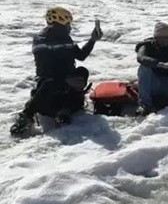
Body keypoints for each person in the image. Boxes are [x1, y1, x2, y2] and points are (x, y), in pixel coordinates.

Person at [10, 7, 102, 136]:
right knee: (53, 82)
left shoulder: (64, 38)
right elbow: (46, 68)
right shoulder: (42, 39)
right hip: (50, 84)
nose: (69, 27)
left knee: (82, 71)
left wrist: (92, 40)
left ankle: (64, 110)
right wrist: (65, 78)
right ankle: (27, 115)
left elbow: (80, 56)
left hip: (64, 83)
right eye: (67, 24)